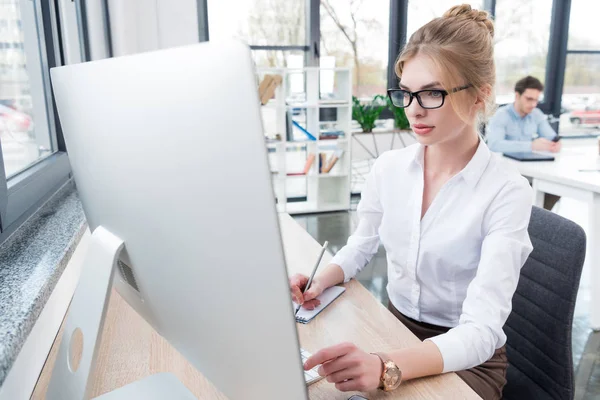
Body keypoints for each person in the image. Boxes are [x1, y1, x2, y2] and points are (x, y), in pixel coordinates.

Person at [289, 5, 533, 400]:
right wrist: (322, 280)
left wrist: (386, 365)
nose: (413, 109)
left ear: (479, 96)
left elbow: (482, 331)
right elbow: (362, 244)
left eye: (432, 93)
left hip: (465, 357)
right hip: (395, 329)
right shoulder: (389, 169)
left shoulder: (507, 192)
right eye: (406, 93)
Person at [486, 76, 561, 210]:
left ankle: (536, 219)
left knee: (555, 187)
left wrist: (555, 143)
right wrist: (531, 145)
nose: (533, 104)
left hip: (530, 170)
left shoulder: (536, 114)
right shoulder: (501, 115)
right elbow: (494, 144)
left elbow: (551, 136)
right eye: (529, 99)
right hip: (506, 175)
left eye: (536, 100)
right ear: (517, 95)